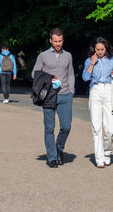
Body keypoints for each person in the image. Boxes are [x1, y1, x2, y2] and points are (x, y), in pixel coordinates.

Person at [31, 28, 75, 168]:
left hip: (65, 94)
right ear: (50, 40)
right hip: (48, 96)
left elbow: (70, 74)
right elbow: (34, 74)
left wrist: (71, 91)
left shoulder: (68, 56)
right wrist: (49, 79)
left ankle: (59, 148)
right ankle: (52, 157)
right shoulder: (43, 56)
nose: (58, 43)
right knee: (49, 128)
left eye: (60, 41)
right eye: (55, 41)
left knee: (66, 126)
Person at [82, 37, 113, 168]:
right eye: (97, 49)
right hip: (95, 91)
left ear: (106, 48)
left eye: (102, 49)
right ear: (94, 49)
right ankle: (99, 158)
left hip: (109, 91)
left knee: (111, 129)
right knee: (96, 127)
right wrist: (92, 63)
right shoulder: (89, 60)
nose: (100, 52)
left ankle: (107, 152)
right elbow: (85, 78)